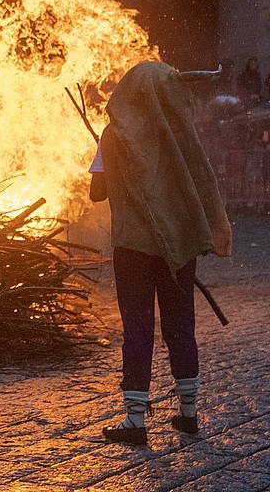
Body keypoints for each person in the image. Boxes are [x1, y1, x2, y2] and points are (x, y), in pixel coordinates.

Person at [88, 61, 233, 446]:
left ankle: (135, 421)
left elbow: (97, 193)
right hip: (179, 246)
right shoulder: (181, 134)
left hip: (133, 248)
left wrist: (110, 164)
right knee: (180, 326)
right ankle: (189, 414)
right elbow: (198, 183)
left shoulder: (112, 136)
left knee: (138, 328)